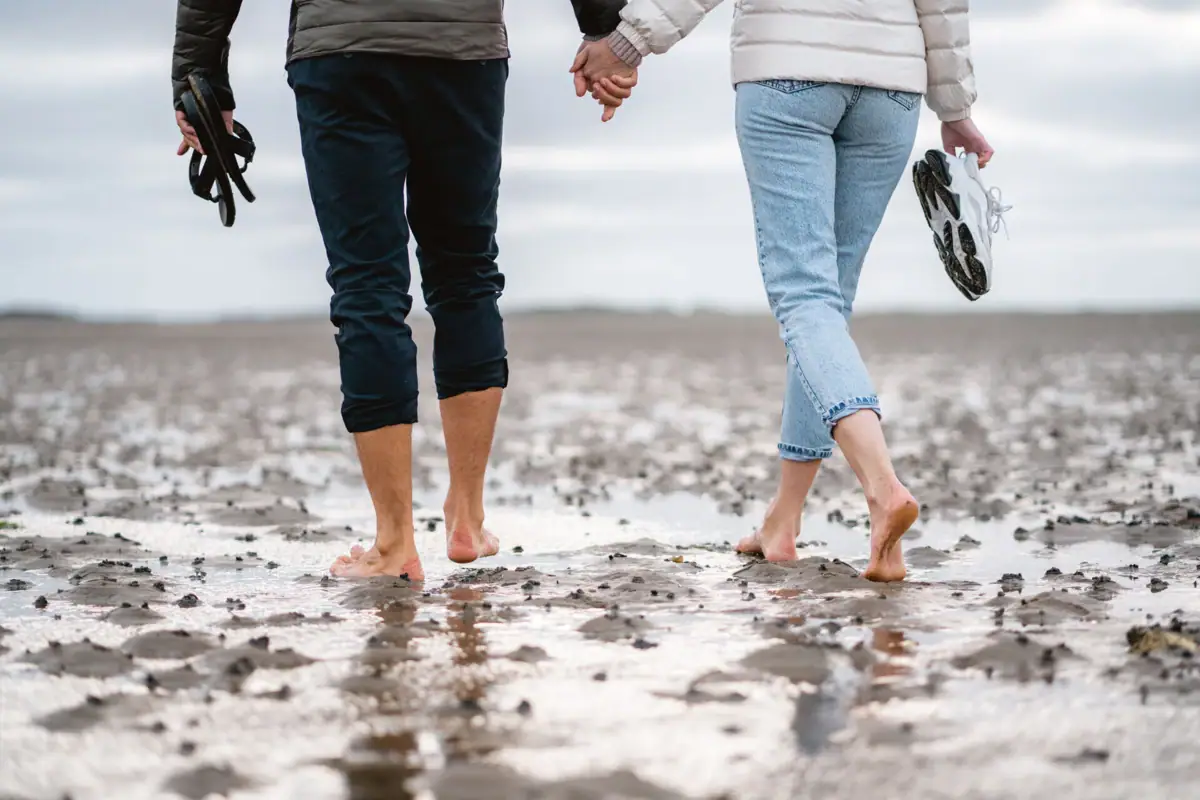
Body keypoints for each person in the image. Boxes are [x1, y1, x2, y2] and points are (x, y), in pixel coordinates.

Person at [171, 0, 637, 580]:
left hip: (342, 52)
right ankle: (466, 518)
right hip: (461, 50)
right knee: (466, 275)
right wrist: (606, 33)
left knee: (367, 289)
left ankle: (394, 544)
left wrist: (198, 73)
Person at [573, 0, 994, 581]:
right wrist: (956, 106)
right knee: (828, 307)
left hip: (786, 69)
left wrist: (622, 46)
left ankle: (882, 489)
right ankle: (784, 521)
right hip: (891, 89)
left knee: (807, 299)